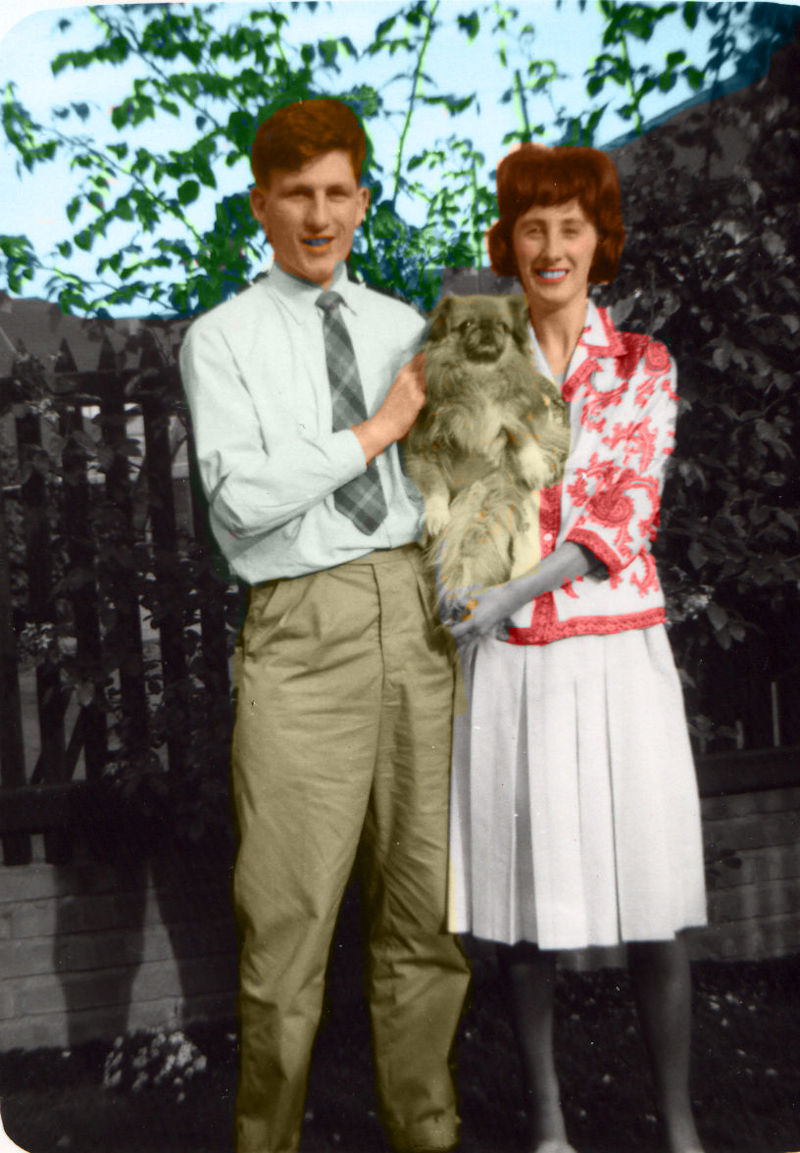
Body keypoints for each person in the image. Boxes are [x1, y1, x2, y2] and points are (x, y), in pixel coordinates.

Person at [180, 98, 470, 1153]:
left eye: (335, 191)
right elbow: (242, 501)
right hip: (301, 633)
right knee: (287, 921)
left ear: (361, 198)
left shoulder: (407, 328)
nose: (316, 214)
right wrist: (379, 429)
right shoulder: (221, 341)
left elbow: (459, 479)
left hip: (418, 616)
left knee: (426, 912)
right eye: (294, 193)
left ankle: (425, 1129)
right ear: (260, 204)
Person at [444, 144, 707, 1153]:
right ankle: (550, 1129)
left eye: (570, 226)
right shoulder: (469, 364)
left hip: (615, 658)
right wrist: (466, 580)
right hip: (510, 666)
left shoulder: (643, 364)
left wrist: (506, 586)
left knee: (653, 903)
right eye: (530, 226)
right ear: (505, 243)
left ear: (600, 243)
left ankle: (676, 1126)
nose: (550, 246)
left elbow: (618, 518)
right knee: (519, 910)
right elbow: (463, 503)